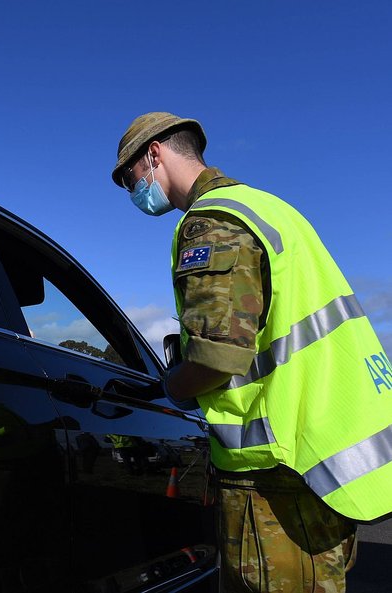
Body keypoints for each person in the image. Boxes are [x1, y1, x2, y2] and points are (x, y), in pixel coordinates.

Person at [110, 111, 392, 593]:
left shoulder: (212, 222)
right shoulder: (269, 208)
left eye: (129, 178)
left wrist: (172, 388)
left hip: (277, 474)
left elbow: (218, 355)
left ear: (153, 155)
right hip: (321, 459)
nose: (132, 192)